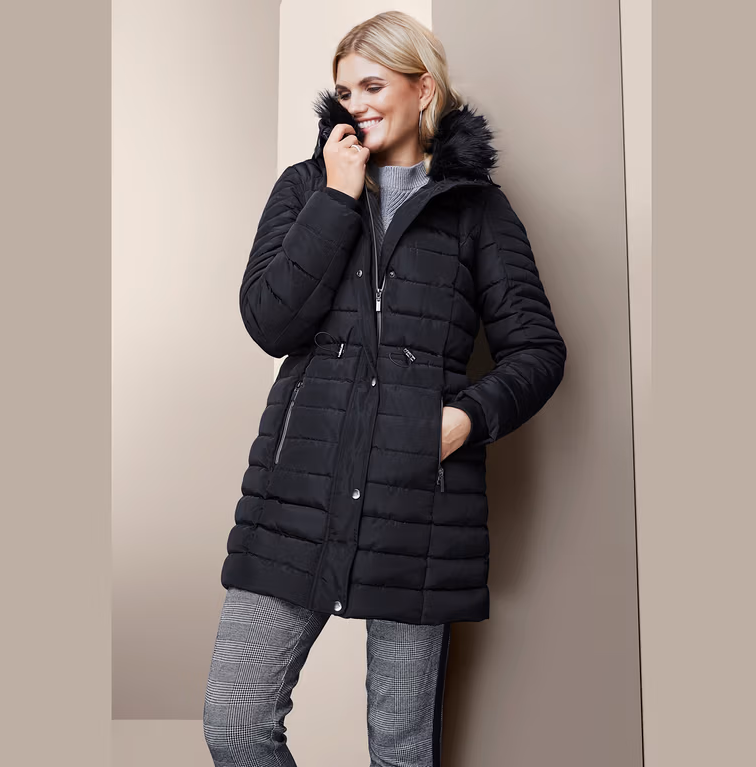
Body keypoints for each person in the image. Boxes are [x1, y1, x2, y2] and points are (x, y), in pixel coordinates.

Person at [203, 10, 567, 767]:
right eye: (345, 91)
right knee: (236, 722)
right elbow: (270, 322)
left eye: (374, 85)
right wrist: (337, 198)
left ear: (422, 88)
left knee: (401, 749)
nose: (357, 104)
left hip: (419, 508)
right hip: (295, 495)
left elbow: (537, 350)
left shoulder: (477, 210)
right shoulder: (306, 187)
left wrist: (464, 419)